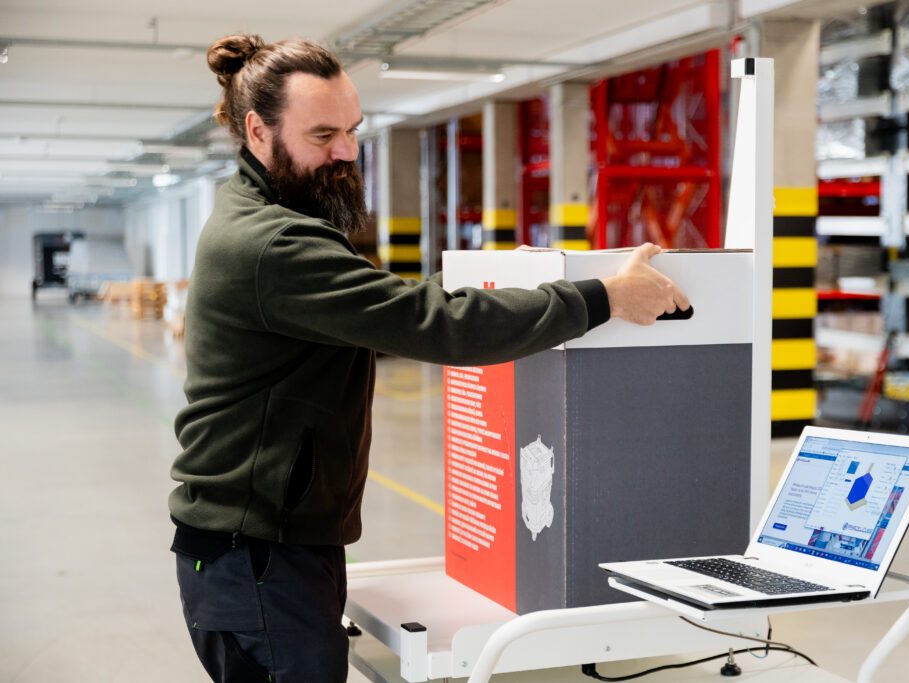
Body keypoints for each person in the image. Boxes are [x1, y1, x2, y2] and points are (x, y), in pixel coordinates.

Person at [168, 34, 690, 683]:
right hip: (259, 559)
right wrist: (604, 297)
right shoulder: (273, 242)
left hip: (265, 547)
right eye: (323, 134)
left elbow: (407, 307)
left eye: (354, 130)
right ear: (258, 130)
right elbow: (437, 324)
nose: (347, 153)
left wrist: (518, 283)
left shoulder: (264, 212)